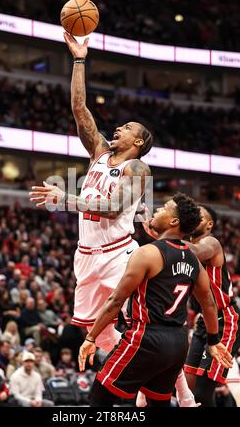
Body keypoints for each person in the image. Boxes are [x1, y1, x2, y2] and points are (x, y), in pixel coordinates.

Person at [30, 31, 153, 355]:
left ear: (138, 143)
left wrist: (65, 198)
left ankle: (177, 393)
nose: (118, 129)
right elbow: (79, 107)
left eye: (127, 128)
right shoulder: (99, 151)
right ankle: (120, 382)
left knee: (139, 319)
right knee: (91, 327)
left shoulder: (137, 170)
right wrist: (79, 59)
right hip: (85, 254)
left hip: (119, 253)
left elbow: (112, 208)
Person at [78, 194, 233, 407]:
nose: (158, 210)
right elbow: (208, 302)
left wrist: (91, 337)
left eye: (164, 208)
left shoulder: (147, 253)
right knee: (158, 404)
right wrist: (214, 341)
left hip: (146, 337)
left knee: (99, 398)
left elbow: (115, 300)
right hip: (178, 343)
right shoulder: (192, 259)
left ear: (174, 221)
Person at [180, 206, 240, 407]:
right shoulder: (182, 248)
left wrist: (164, 236)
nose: (193, 216)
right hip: (205, 320)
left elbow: (197, 252)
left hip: (226, 319)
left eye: (199, 215)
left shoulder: (211, 243)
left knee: (201, 391)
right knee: (189, 392)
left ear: (209, 224)